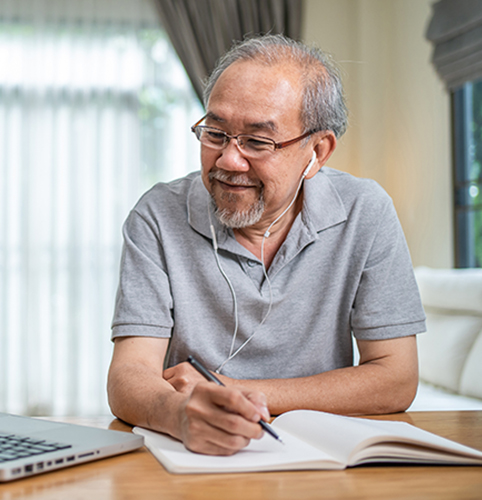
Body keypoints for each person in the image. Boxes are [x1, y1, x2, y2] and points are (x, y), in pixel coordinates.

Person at [106, 34, 426, 456]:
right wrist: (179, 413)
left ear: (317, 151)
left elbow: (396, 379)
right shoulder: (157, 215)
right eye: (215, 133)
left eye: (257, 142)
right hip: (193, 455)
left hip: (320, 455)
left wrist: (231, 392)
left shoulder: (365, 211)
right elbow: (129, 375)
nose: (228, 161)